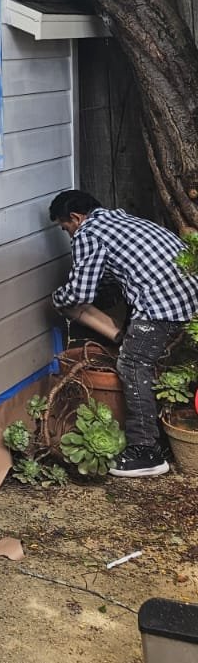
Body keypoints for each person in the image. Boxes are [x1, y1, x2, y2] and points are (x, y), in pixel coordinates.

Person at [49, 190, 198, 478]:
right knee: (144, 354)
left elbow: (80, 293)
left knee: (132, 364)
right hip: (188, 294)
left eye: (65, 228)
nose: (69, 235)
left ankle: (146, 452)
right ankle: (159, 430)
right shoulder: (122, 221)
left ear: (76, 218)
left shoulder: (89, 233)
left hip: (163, 304)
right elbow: (115, 277)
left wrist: (57, 299)